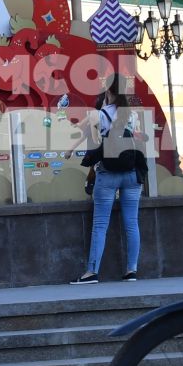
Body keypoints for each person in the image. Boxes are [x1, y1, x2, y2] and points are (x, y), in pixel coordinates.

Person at [73, 79, 147, 284]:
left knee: (100, 225)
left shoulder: (101, 113)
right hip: (132, 173)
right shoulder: (131, 114)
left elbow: (82, 130)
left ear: (108, 90)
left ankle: (92, 272)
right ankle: (131, 270)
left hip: (108, 173)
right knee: (132, 224)